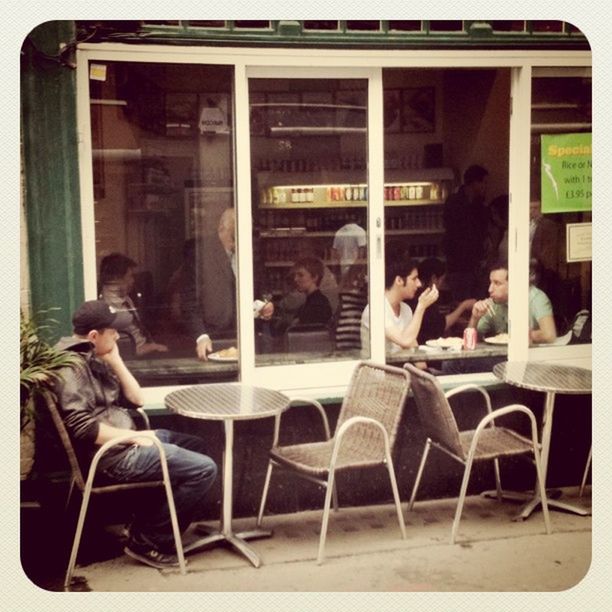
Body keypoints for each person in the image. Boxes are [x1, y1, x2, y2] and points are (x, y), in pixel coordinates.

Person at [54, 300, 217, 569]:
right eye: (113, 331)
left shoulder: (92, 356)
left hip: (125, 443)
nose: (118, 335)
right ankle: (149, 540)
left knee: (196, 446)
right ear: (94, 335)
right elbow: (83, 428)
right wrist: (130, 438)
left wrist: (115, 359)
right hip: (112, 457)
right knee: (204, 469)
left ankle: (146, 526)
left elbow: (137, 398)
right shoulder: (71, 367)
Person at [181, 208, 273, 360]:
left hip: (249, 335)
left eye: (243, 234)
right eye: (233, 236)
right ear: (221, 229)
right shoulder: (200, 253)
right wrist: (201, 336)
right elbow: (189, 301)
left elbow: (263, 287)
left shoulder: (250, 251)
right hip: (212, 336)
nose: (238, 241)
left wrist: (266, 305)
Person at [360, 251, 439, 355]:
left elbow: (411, 342)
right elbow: (405, 340)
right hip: (379, 369)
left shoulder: (406, 309)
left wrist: (425, 370)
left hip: (400, 368)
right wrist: (421, 307)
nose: (419, 284)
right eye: (414, 279)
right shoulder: (376, 308)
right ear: (399, 280)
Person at [468, 262, 557, 344]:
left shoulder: (536, 298)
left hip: (533, 355)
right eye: (490, 283)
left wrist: (520, 336)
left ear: (514, 284)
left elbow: (549, 335)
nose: (490, 289)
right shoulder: (493, 303)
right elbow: (473, 341)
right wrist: (474, 318)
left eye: (497, 283)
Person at [99, 253, 168, 357]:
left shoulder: (124, 298)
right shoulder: (108, 308)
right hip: (136, 354)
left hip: (145, 344)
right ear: (116, 279)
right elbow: (122, 349)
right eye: (130, 276)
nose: (133, 281)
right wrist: (152, 347)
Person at [443, 164, 489, 300]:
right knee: (461, 301)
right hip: (458, 264)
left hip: (476, 265)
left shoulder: (480, 205)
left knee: (477, 301)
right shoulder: (454, 202)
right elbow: (453, 231)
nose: (485, 186)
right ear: (474, 182)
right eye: (483, 182)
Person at [408, 257, 476, 344]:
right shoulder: (424, 296)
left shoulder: (417, 295)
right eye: (443, 280)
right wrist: (463, 306)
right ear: (434, 278)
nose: (443, 284)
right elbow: (441, 326)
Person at [271, 256, 333, 334]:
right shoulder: (314, 301)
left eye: (300, 275)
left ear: (314, 277)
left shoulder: (318, 305)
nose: (295, 279)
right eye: (295, 275)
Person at [331, 213, 366, 280]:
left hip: (343, 267)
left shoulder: (339, 232)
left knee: (346, 288)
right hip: (356, 269)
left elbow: (335, 254)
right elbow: (361, 255)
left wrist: (334, 273)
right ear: (359, 219)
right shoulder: (360, 231)